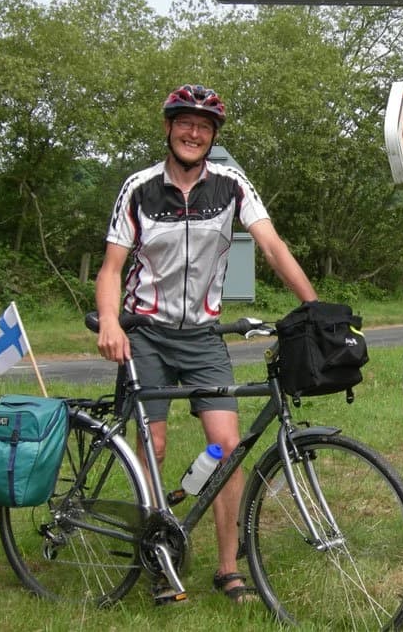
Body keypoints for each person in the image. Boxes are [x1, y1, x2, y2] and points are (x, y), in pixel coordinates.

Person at [95, 83, 318, 604]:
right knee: (155, 445)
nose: (193, 133)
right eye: (184, 123)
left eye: (204, 126)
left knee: (226, 449)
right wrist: (110, 320)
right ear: (169, 129)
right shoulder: (140, 187)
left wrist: (313, 307)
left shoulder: (232, 185)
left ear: (212, 135)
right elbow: (110, 268)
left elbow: (271, 244)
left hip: (202, 336)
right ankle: (157, 559)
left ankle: (226, 568)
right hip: (145, 334)